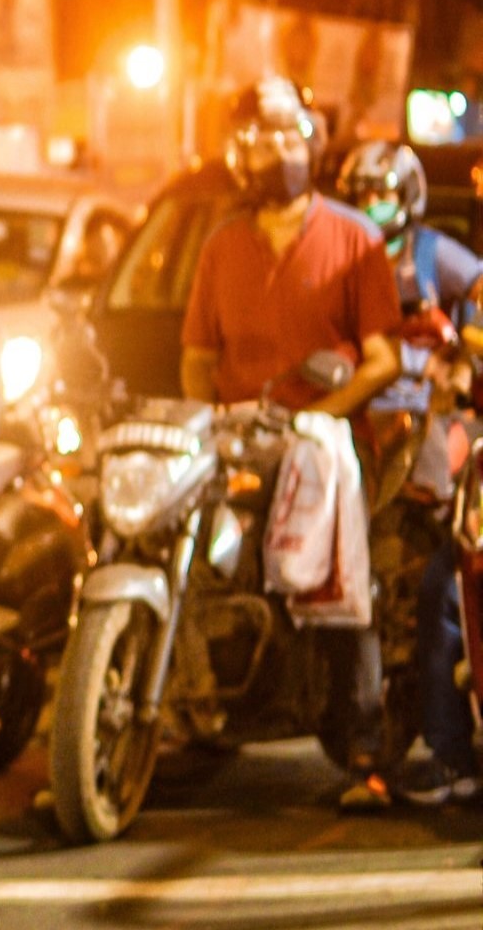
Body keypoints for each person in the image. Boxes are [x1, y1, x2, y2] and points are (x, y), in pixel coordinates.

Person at [181, 77, 403, 810]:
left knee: (342, 580)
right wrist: (211, 421)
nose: (278, 151)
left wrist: (320, 416)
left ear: (311, 144)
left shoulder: (355, 238)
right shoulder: (220, 247)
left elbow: (383, 360)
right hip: (241, 438)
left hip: (328, 441)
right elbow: (197, 359)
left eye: (290, 136)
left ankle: (365, 749)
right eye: (262, 139)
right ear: (239, 154)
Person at [339, 140, 482, 806]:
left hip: (426, 423)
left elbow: (476, 295)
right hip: (359, 420)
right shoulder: (348, 258)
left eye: (383, 194)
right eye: (362, 195)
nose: (372, 206)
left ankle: (446, 754)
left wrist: (459, 357)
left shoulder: (432, 255)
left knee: (438, 584)